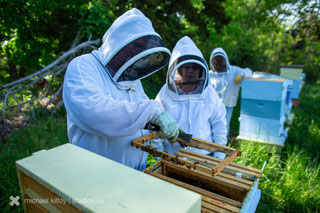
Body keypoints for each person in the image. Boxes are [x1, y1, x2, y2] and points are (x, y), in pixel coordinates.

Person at [62, 8, 179, 171]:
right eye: (136, 45)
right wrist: (152, 111)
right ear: (119, 40)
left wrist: (158, 123)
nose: (140, 53)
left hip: (133, 172)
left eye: (143, 48)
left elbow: (139, 113)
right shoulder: (83, 66)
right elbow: (94, 112)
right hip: (94, 174)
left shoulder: (132, 79)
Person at [155, 36, 228, 159]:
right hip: (173, 156)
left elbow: (219, 123)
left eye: (194, 67)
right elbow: (156, 125)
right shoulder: (164, 94)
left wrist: (219, 153)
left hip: (205, 156)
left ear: (200, 69)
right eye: (186, 67)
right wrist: (159, 154)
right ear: (178, 68)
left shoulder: (209, 93)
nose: (190, 71)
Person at [209, 47, 252, 133]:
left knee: (225, 125)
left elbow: (249, 71)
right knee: (212, 124)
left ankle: (224, 142)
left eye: (221, 63)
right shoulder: (210, 74)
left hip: (228, 105)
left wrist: (241, 74)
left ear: (226, 61)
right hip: (214, 106)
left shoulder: (233, 70)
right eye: (216, 64)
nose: (219, 66)